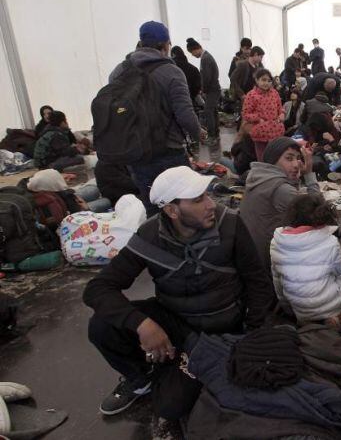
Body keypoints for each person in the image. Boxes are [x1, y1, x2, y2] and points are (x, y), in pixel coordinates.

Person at [83, 166, 276, 419]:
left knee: (171, 407)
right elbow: (97, 288)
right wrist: (143, 325)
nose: (211, 205)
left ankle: (179, 367)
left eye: (207, 195)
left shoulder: (230, 224)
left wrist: (252, 333)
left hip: (221, 329)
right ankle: (141, 378)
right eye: (198, 200)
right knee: (101, 325)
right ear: (172, 210)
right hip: (176, 322)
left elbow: (257, 281)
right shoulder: (150, 236)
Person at [108, 21, 202, 215]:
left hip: (135, 152)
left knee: (152, 203)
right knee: (185, 201)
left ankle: (157, 240)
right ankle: (183, 243)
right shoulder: (172, 72)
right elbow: (185, 114)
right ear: (166, 44)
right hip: (169, 150)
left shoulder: (119, 71)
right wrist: (199, 132)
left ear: (141, 42)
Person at [240, 137, 319, 273]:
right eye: (289, 159)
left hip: (250, 254)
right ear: (273, 161)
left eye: (297, 158)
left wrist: (295, 178)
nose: (296, 164)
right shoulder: (281, 189)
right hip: (269, 261)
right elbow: (319, 213)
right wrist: (309, 174)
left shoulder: (259, 176)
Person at [271, 194, 341, 324]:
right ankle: (333, 317)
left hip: (300, 310)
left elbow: (278, 282)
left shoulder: (276, 242)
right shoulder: (329, 242)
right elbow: (340, 270)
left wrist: (288, 308)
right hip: (329, 306)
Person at [186, 38, 222, 162]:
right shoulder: (206, 57)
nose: (193, 55)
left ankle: (212, 136)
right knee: (213, 111)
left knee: (208, 111)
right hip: (214, 89)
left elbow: (206, 77)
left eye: (192, 53)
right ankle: (216, 134)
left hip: (211, 89)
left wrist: (203, 89)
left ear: (197, 49)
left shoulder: (205, 58)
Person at [240, 69, 285, 162]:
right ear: (257, 80)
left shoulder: (274, 93)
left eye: (269, 81)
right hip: (260, 132)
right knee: (262, 158)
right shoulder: (251, 95)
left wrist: (281, 115)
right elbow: (245, 114)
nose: (266, 83)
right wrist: (258, 119)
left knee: (275, 158)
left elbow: (280, 108)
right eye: (263, 80)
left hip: (275, 131)